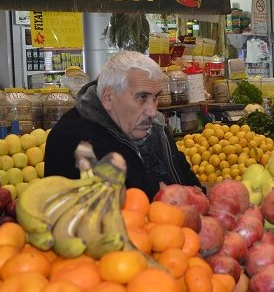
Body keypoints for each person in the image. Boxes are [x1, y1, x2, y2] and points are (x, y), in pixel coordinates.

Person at [45, 51, 203, 199]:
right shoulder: (74, 138)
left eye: (155, 98)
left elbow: (190, 184)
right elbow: (123, 194)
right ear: (108, 98)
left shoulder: (154, 129)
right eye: (142, 97)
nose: (153, 112)